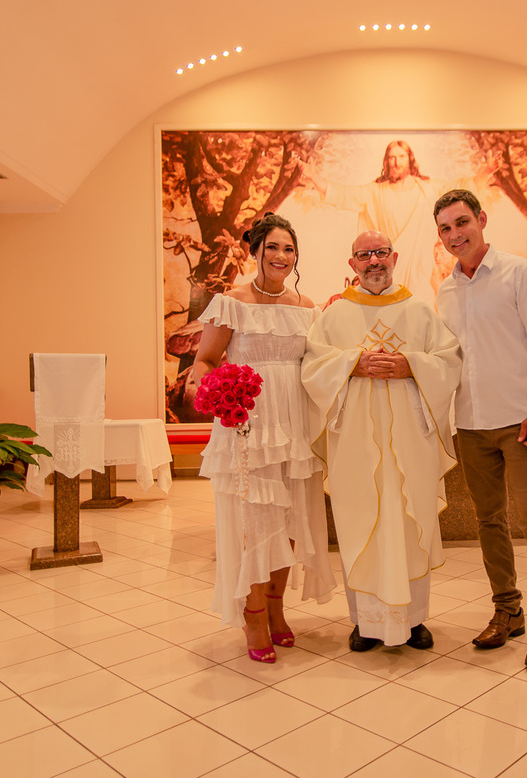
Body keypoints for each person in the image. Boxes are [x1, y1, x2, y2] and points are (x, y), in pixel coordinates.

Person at [302, 230, 462, 651]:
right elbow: (312, 367)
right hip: (354, 442)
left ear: (394, 257)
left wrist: (411, 365)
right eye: (364, 255)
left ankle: (414, 621)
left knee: (410, 524)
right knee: (361, 524)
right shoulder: (334, 316)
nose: (374, 261)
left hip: (411, 442)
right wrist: (352, 364)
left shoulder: (420, 311)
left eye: (380, 253)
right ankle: (364, 621)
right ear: (352, 264)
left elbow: (449, 362)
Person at [434, 188, 527, 670]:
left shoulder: (518, 273)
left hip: (520, 421)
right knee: (488, 522)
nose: (455, 234)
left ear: (482, 219)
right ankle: (507, 611)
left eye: (461, 222)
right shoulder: (446, 290)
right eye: (446, 228)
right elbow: (447, 359)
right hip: (471, 423)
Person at [194, 213, 335, 663]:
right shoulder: (230, 303)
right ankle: (252, 614)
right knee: (255, 523)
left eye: (288, 249)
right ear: (254, 251)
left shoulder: (306, 307)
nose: (280, 256)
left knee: (290, 521)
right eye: (271, 247)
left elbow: (317, 364)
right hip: (249, 424)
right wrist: (214, 391)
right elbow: (204, 361)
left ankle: (277, 608)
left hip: (295, 424)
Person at [302, 140, 480, 305]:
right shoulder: (375, 192)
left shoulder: (427, 188)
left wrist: (485, 173)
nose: (396, 162)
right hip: (388, 271)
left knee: (422, 312)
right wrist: (314, 178)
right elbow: (344, 194)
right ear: (386, 161)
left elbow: (459, 186)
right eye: (392, 157)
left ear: (409, 159)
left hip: (420, 269)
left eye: (401, 157)